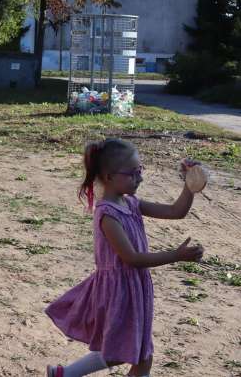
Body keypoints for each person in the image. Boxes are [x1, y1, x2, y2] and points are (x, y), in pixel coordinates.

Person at [45, 138, 205, 377]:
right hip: (119, 291)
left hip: (135, 287)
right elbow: (132, 258)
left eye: (140, 170)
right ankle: (64, 374)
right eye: (132, 173)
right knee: (136, 353)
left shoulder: (131, 203)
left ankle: (64, 374)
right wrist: (176, 255)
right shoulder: (108, 215)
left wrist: (189, 185)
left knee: (134, 352)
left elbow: (176, 211)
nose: (140, 178)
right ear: (109, 177)